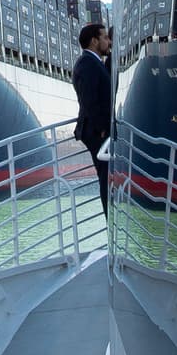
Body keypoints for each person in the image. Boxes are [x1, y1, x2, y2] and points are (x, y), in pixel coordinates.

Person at [74, 22, 112, 215]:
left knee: (107, 176)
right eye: (105, 37)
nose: (109, 41)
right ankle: (109, 221)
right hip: (96, 132)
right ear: (94, 40)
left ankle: (111, 221)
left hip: (98, 130)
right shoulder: (87, 64)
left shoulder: (94, 62)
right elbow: (88, 100)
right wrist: (102, 128)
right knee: (105, 178)